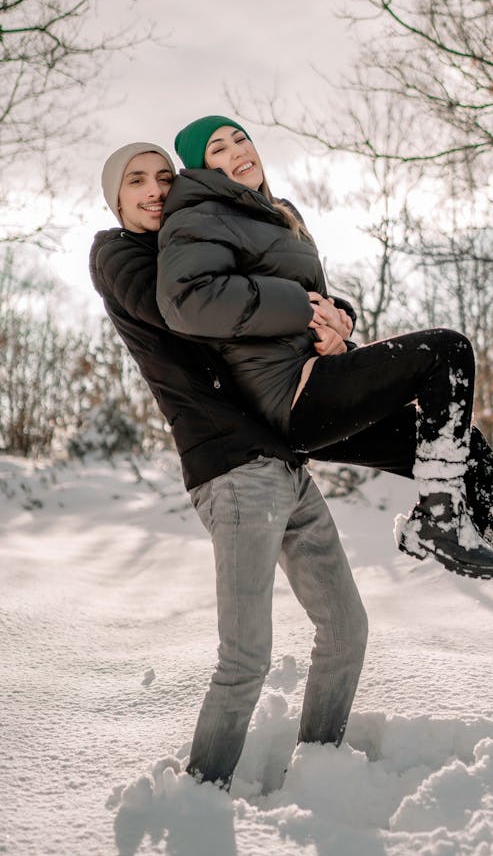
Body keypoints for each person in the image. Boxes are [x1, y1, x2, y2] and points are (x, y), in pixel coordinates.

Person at [155, 116, 493, 637]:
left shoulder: (274, 214)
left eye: (240, 138)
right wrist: (303, 308)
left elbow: (295, 298)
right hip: (288, 397)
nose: (237, 150)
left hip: (315, 379)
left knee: (460, 447)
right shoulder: (200, 215)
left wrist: (336, 320)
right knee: (446, 352)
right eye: (218, 148)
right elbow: (190, 302)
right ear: (200, 167)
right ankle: (438, 515)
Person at [89, 142, 368, 793]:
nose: (156, 189)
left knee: (346, 626)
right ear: (116, 199)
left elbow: (264, 288)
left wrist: (333, 313)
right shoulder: (120, 255)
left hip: (281, 460)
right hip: (229, 466)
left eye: (166, 177)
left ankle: (321, 764)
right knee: (246, 658)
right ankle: (200, 796)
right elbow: (185, 313)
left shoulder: (191, 248)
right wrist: (280, 300)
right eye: (137, 181)